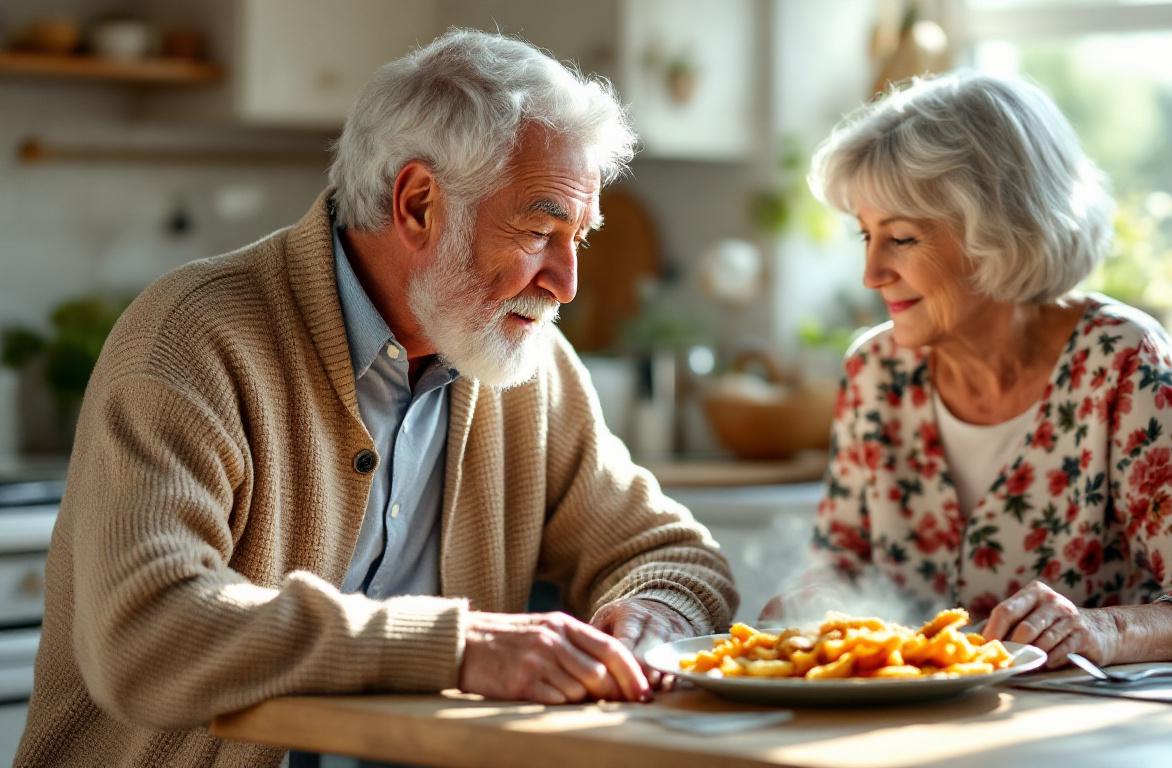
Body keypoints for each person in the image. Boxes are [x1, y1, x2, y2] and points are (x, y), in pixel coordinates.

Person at [17, 28, 736, 767]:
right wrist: (457, 648)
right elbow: (145, 631)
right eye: (537, 230)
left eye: (577, 238)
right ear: (418, 203)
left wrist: (653, 615)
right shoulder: (194, 337)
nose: (567, 284)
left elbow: (673, 554)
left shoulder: (528, 365)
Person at [767, 73, 1172, 669]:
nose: (871, 274)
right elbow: (840, 565)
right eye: (865, 235)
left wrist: (1103, 630)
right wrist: (813, 600)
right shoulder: (874, 370)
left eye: (901, 238)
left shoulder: (1120, 360)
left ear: (998, 231)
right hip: (911, 719)